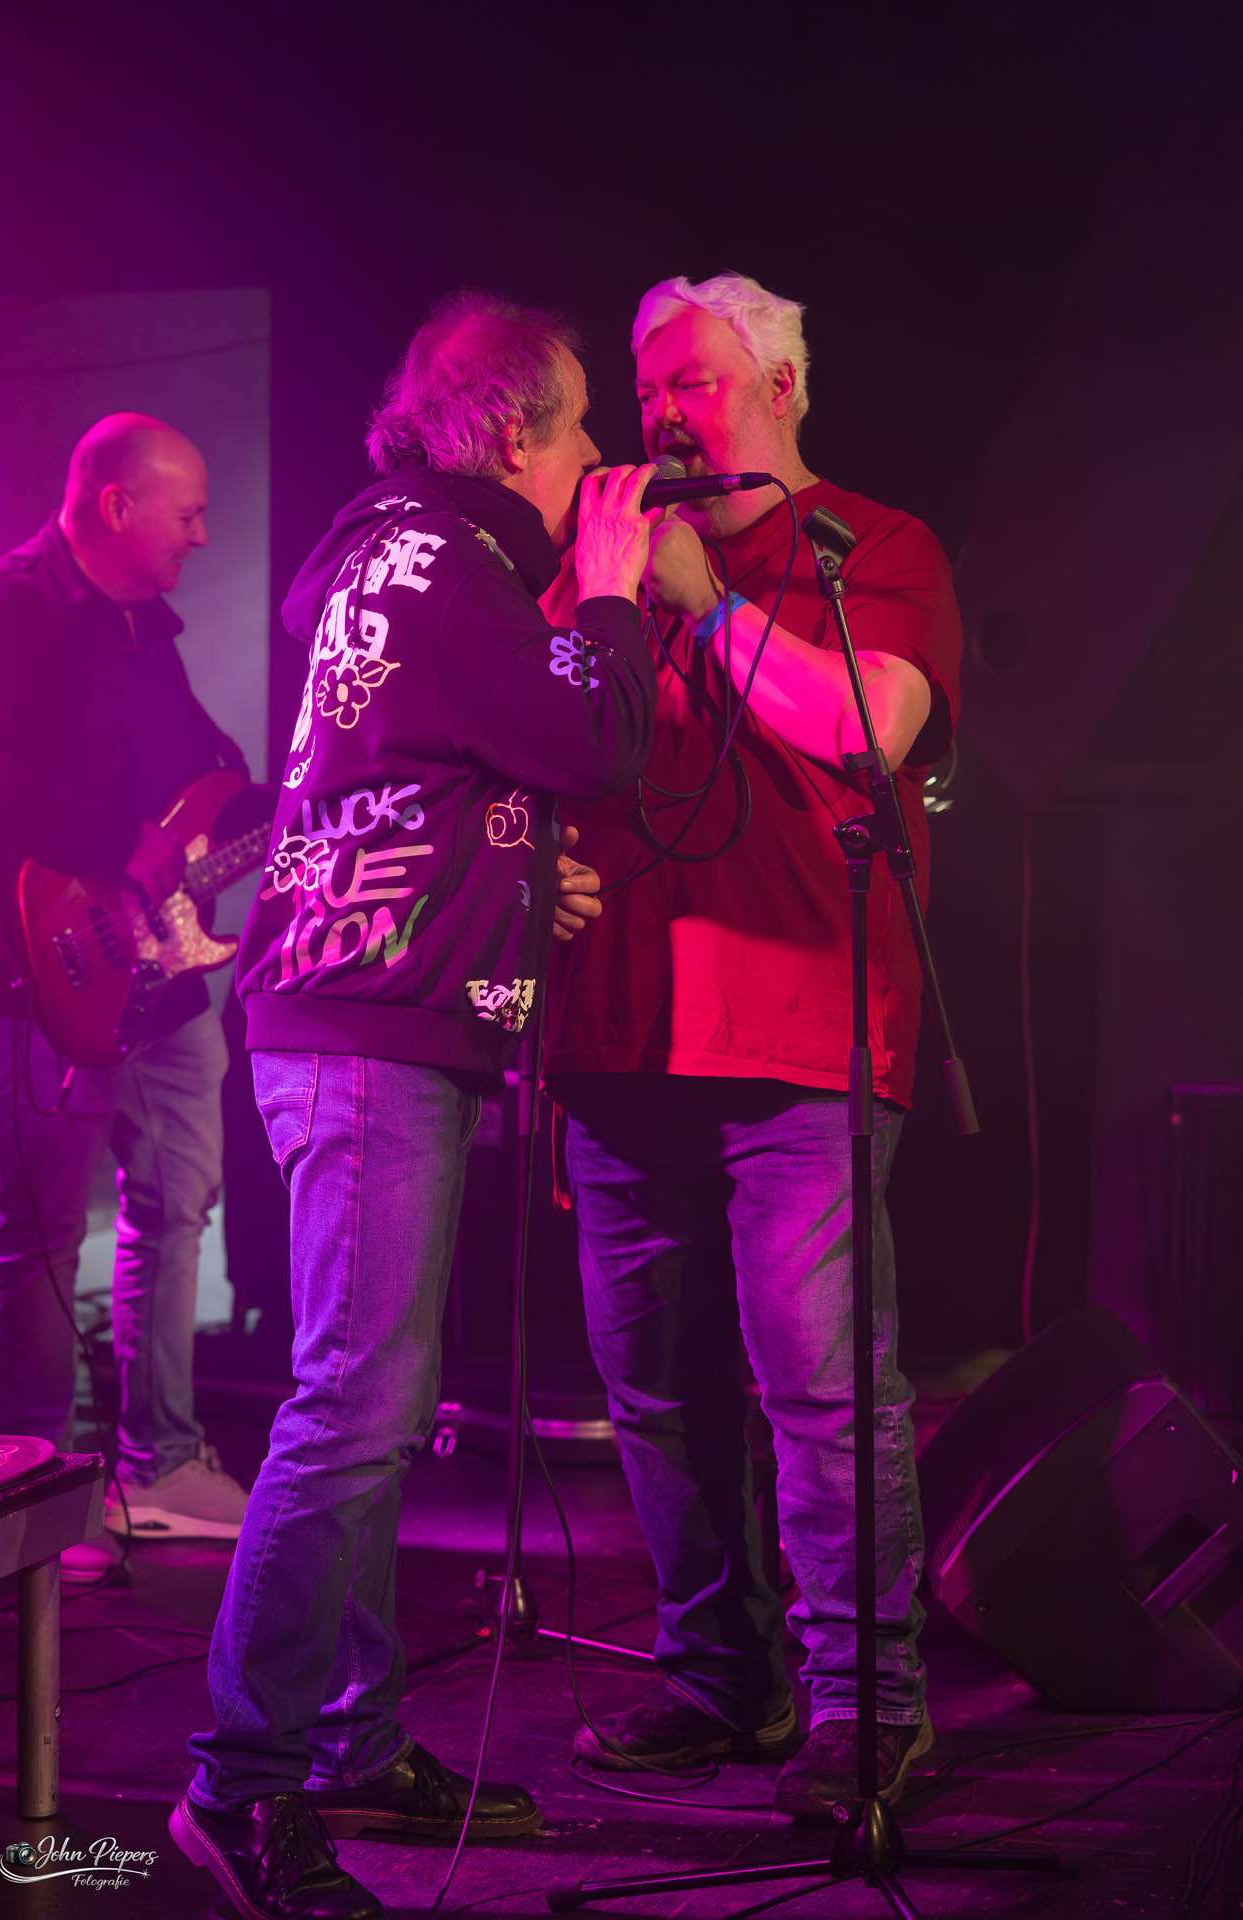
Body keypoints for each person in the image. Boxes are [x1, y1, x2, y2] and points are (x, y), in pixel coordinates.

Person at [171, 292, 658, 1920]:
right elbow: (596, 738)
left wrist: (510, 903)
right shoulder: (447, 566)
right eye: (580, 425)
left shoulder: (389, 557)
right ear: (511, 429)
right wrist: (611, 589)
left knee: (375, 1407)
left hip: (365, 1021)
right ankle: (240, 1785)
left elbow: (424, 791)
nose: (596, 459)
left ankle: (353, 1741)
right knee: (356, 1410)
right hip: (368, 1035)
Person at [543, 271, 963, 1821]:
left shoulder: (871, 547)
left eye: (696, 382)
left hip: (801, 1039)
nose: (662, 414)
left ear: (781, 388)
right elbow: (537, 747)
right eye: (648, 387)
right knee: (656, 1391)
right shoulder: (600, 565)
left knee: (821, 1391)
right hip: (617, 1041)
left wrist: (705, 603)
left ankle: (868, 1711)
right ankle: (722, 1678)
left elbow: (867, 727)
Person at [0, 414, 254, 1579]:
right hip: (44, 974)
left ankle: (159, 1460)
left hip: (158, 978)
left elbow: (207, 771)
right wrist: (118, 846)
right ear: (116, 505)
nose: (201, 534)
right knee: (38, 1230)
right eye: (186, 513)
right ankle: (41, 1487)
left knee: (175, 1203)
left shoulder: (149, 627)